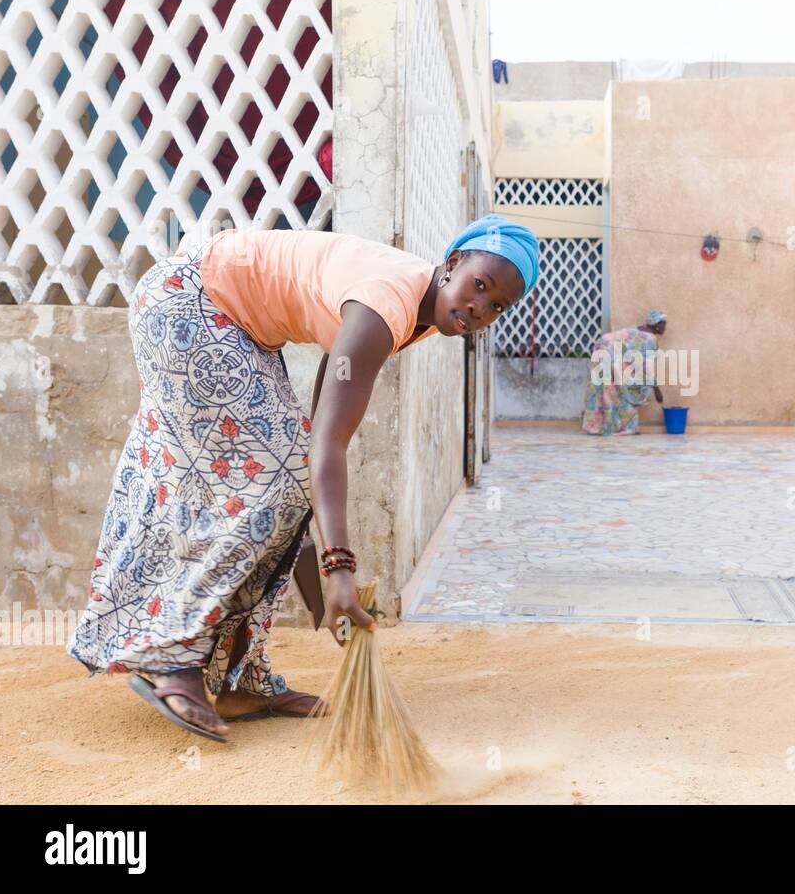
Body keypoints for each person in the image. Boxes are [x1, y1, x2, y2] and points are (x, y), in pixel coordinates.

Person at [67, 215, 538, 741]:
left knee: (294, 481)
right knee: (285, 475)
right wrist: (338, 568)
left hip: (232, 324)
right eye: (479, 285)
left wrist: (311, 540)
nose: (481, 308)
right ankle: (169, 653)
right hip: (191, 302)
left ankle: (244, 679)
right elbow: (326, 446)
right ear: (453, 263)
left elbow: (324, 424)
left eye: (498, 305)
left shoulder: (419, 313)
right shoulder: (387, 304)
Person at [581, 310, 667, 436]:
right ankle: (624, 428)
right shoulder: (650, 339)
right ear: (657, 324)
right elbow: (647, 368)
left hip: (601, 354)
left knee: (606, 393)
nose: (665, 328)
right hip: (611, 359)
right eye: (664, 324)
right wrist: (656, 389)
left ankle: (597, 427)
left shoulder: (636, 330)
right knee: (625, 394)